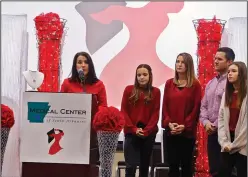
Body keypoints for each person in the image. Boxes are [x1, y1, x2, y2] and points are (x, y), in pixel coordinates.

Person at [162, 52, 201, 177]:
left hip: (186, 133)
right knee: (172, 167)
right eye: (177, 61)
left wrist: (185, 125)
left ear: (188, 65)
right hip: (171, 131)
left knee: (186, 167)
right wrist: (169, 123)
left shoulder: (195, 85)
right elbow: (165, 107)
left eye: (182, 62)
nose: (179, 64)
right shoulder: (169, 83)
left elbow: (196, 108)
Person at [199, 47, 235, 177]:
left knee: (226, 171)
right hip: (212, 133)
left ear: (229, 62)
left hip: (227, 133)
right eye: (215, 58)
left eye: (219, 59)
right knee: (214, 171)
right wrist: (206, 123)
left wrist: (214, 125)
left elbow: (229, 108)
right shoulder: (211, 83)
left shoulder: (232, 83)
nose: (215, 61)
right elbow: (203, 106)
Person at [121, 64, 161, 177]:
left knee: (144, 167)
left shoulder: (156, 92)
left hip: (148, 134)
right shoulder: (129, 90)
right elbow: (124, 112)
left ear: (150, 76)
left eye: (144, 74)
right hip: (131, 133)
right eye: (139, 75)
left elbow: (155, 114)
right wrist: (134, 129)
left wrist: (146, 131)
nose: (141, 77)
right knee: (130, 167)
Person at [218, 62, 247, 177]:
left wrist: (234, 145)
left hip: (243, 144)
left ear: (242, 74)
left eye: (234, 71)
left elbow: (246, 126)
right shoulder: (227, 94)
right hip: (227, 142)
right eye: (229, 71)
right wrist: (224, 142)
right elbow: (221, 119)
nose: (229, 74)